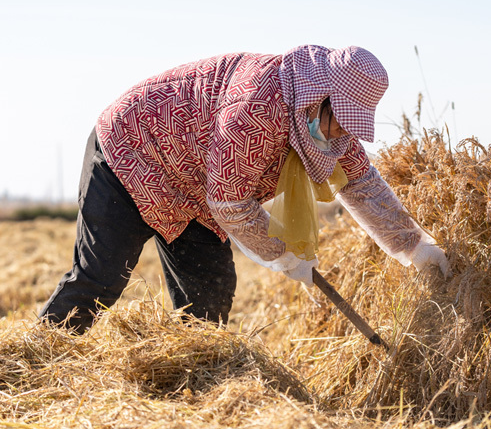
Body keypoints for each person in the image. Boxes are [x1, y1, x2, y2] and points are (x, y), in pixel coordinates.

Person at [39, 45, 450, 334]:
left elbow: (362, 185)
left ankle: (189, 399)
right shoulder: (257, 103)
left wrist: (415, 248)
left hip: (197, 187)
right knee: (100, 279)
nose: (342, 132)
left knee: (208, 299)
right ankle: (35, 364)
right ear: (319, 97)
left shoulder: (327, 125)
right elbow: (231, 203)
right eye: (339, 119)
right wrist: (286, 255)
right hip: (136, 152)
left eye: (350, 124)